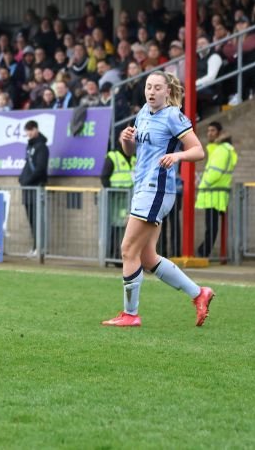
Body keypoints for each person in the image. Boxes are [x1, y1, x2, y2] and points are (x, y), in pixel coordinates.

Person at [102, 71, 213, 328]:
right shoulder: (143, 112)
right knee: (147, 257)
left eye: (157, 88)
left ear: (167, 91)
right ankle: (199, 293)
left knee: (128, 250)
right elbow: (133, 152)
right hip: (143, 187)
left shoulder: (173, 115)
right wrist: (126, 141)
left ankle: (131, 315)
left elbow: (198, 150)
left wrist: (177, 157)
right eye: (148, 87)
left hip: (157, 189)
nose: (151, 91)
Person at [195, 121, 238, 258]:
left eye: (212, 130)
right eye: (208, 131)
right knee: (212, 227)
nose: (209, 133)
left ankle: (203, 252)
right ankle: (203, 251)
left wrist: (203, 184)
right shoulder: (222, 149)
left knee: (211, 227)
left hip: (214, 194)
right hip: (216, 194)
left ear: (219, 132)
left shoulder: (222, 150)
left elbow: (214, 172)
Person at [18, 120, 48, 255]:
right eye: (27, 130)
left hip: (36, 187)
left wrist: (28, 180)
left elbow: (41, 168)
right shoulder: (29, 147)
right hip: (28, 189)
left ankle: (40, 247)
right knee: (31, 220)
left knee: (38, 220)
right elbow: (27, 165)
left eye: (31, 130)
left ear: (36, 130)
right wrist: (21, 178)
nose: (28, 133)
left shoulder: (42, 147)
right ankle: (35, 247)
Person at [100, 144, 134, 263]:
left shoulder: (135, 156)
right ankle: (113, 255)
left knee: (129, 228)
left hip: (132, 198)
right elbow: (104, 177)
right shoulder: (113, 156)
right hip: (116, 198)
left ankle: (125, 256)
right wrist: (111, 192)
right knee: (115, 226)